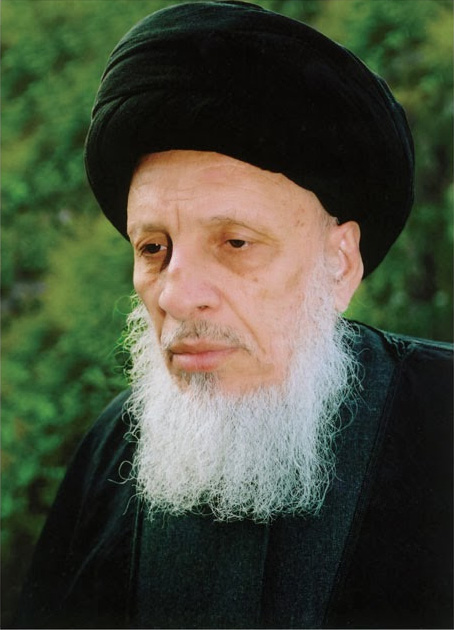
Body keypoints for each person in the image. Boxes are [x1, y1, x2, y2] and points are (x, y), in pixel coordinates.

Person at [15, 1, 452, 628]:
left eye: (236, 242)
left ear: (339, 264)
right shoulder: (109, 453)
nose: (175, 295)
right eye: (153, 248)